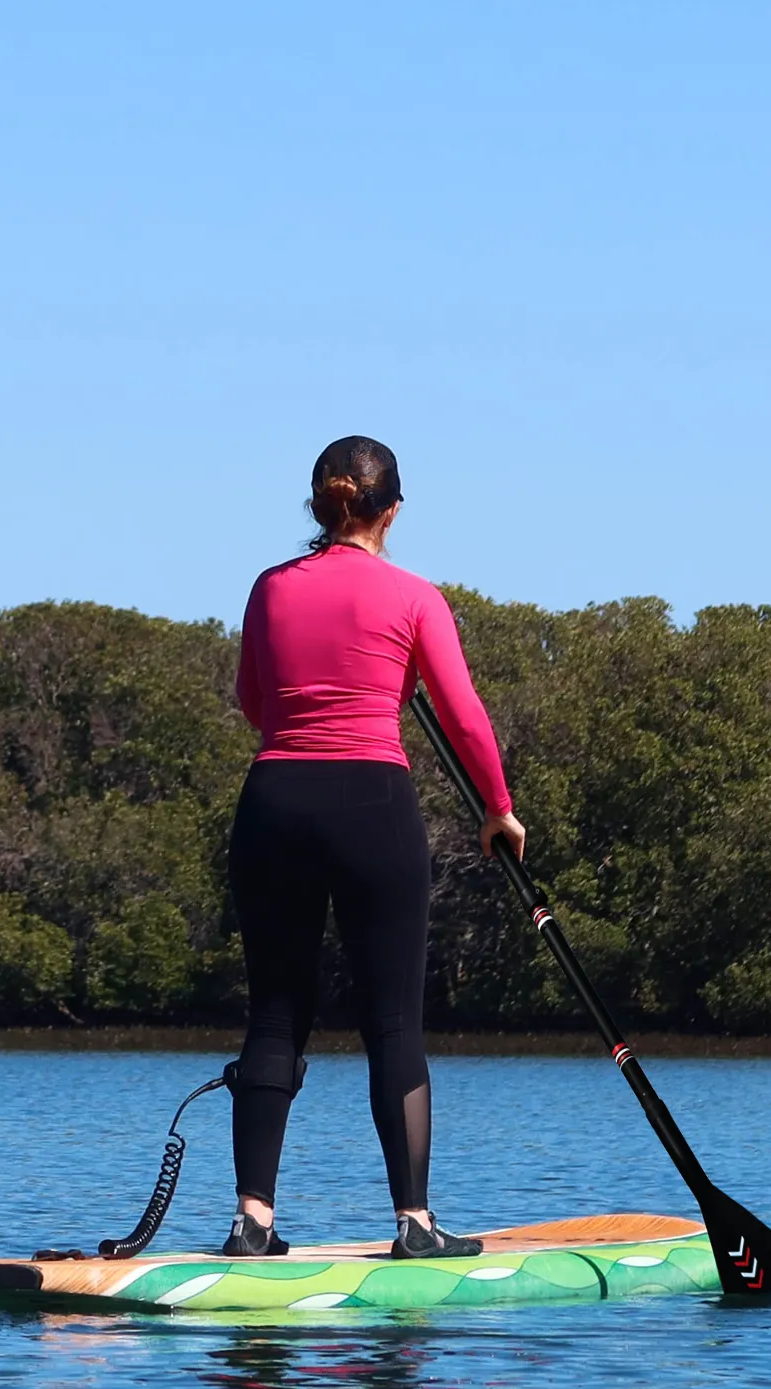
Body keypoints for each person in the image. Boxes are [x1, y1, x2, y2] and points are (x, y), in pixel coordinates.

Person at [224, 436, 525, 1259]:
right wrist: (498, 809)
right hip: (372, 805)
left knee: (276, 1015)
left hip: (275, 802)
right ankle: (415, 1226)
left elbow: (254, 700)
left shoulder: (268, 588)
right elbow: (463, 715)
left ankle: (254, 1223)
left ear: (323, 504)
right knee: (393, 1022)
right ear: (392, 509)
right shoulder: (415, 597)